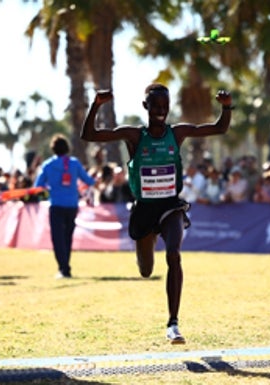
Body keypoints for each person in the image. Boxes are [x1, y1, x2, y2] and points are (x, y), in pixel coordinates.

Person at [81, 83, 232, 344]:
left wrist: (227, 107)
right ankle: (146, 241)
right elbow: (89, 135)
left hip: (170, 205)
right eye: (156, 107)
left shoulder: (178, 133)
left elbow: (219, 128)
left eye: (165, 106)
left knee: (174, 254)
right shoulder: (134, 136)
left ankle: (173, 323)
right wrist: (96, 105)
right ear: (146, 107)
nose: (161, 111)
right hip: (144, 209)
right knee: (146, 270)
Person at [34, 134, 96, 279]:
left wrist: (50, 190)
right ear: (67, 148)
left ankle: (63, 268)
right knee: (68, 237)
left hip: (56, 205)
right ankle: (65, 267)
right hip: (72, 205)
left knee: (58, 239)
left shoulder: (48, 165)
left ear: (53, 149)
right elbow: (89, 180)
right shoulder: (74, 163)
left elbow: (38, 186)